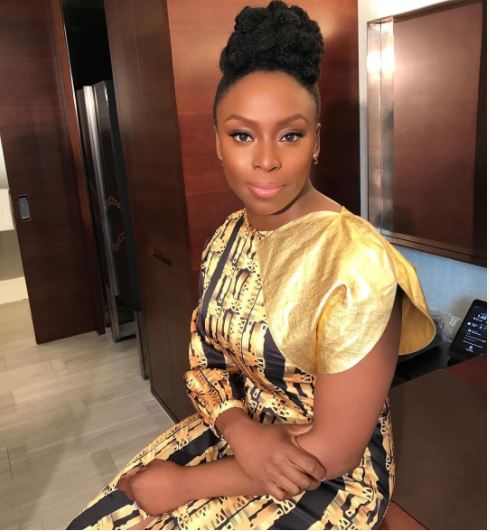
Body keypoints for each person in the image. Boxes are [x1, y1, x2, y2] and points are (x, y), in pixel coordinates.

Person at [67, 1, 436, 529]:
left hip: (327, 479)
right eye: (242, 135)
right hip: (238, 431)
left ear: (315, 140)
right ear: (217, 142)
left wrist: (182, 485)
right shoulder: (226, 237)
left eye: (290, 134)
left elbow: (334, 452)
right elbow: (205, 359)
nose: (266, 160)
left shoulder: (357, 263)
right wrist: (240, 430)